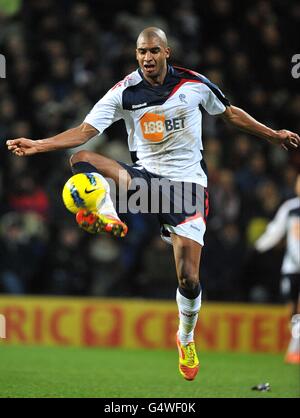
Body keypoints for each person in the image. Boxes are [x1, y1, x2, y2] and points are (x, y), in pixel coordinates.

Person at [6, 27, 300, 381]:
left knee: (189, 279)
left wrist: (273, 134)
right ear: (136, 55)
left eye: (154, 51)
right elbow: (85, 131)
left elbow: (231, 114)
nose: (147, 57)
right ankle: (106, 212)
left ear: (167, 52)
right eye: (141, 51)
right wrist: (38, 144)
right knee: (82, 157)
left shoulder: (194, 85)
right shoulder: (124, 92)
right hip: (145, 182)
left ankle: (185, 337)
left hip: (189, 189)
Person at [255, 174, 300, 364]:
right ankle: (295, 343)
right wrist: (257, 247)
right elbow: (275, 231)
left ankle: (294, 349)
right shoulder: (290, 208)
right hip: (291, 267)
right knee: (292, 310)